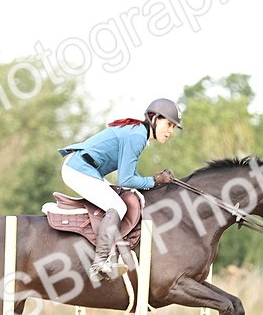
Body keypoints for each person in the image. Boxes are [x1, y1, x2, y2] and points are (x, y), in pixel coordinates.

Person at [58, 98, 182, 279]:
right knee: (118, 206)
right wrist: (155, 180)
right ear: (154, 118)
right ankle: (99, 263)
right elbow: (126, 179)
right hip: (78, 169)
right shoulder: (137, 136)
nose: (170, 131)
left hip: (87, 169)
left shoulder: (138, 132)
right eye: (169, 124)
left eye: (173, 127)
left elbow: (128, 176)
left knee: (122, 198)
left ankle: (111, 255)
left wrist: (153, 181)